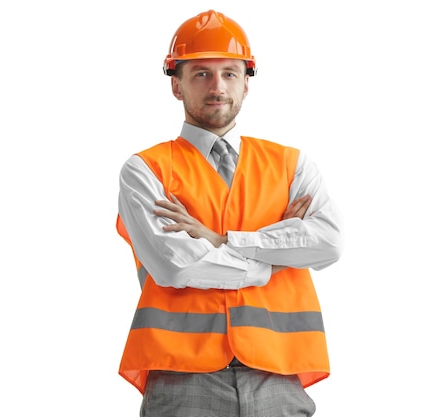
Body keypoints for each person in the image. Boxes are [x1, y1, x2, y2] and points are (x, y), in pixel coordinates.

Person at [116, 9, 344, 417]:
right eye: (201, 73)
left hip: (278, 371)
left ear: (246, 83)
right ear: (176, 84)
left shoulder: (292, 165)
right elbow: (175, 267)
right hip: (182, 377)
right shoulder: (146, 170)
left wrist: (221, 241)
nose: (217, 86)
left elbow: (328, 244)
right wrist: (273, 258)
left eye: (229, 73)